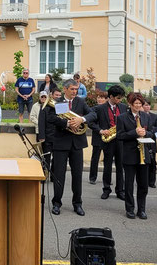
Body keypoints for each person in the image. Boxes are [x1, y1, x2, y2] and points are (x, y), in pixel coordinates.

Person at [45, 79, 96, 216]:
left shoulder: (80, 102)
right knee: (59, 175)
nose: (75, 91)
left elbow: (93, 114)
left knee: (77, 175)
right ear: (65, 89)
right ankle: (56, 203)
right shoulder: (57, 101)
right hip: (61, 143)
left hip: (77, 144)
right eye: (72, 89)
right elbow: (50, 118)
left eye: (76, 89)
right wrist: (66, 123)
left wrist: (81, 120)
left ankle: (77, 204)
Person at [117, 93, 153, 219]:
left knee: (143, 185)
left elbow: (153, 132)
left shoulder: (146, 116)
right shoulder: (122, 118)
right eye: (135, 103)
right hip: (129, 155)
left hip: (144, 155)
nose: (138, 106)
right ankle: (130, 209)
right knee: (129, 184)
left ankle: (141, 209)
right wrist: (134, 133)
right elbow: (120, 136)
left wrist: (146, 133)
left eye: (140, 103)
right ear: (130, 104)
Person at [90, 85, 127, 200]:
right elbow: (91, 123)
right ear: (111, 96)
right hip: (107, 140)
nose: (120, 100)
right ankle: (106, 189)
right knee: (107, 166)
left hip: (120, 140)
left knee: (120, 167)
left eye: (121, 98)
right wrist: (101, 130)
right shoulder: (100, 108)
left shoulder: (123, 107)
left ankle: (120, 190)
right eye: (118, 98)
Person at [37, 88, 63, 181]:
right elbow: (41, 122)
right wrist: (42, 136)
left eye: (60, 95)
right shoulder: (45, 106)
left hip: (59, 137)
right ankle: (44, 175)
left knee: (57, 159)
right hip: (48, 136)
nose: (58, 97)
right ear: (51, 95)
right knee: (46, 158)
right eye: (56, 95)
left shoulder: (62, 106)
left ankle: (53, 176)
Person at [88, 91, 108, 185]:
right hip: (97, 136)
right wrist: (100, 130)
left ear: (106, 99)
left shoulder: (109, 109)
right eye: (98, 97)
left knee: (108, 159)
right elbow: (91, 123)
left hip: (109, 136)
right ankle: (92, 177)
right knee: (95, 158)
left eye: (102, 98)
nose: (100, 99)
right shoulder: (93, 109)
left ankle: (107, 178)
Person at [143, 101, 157, 188]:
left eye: (149, 105)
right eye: (146, 105)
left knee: (153, 163)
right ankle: (143, 181)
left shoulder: (154, 116)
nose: (148, 107)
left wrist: (150, 131)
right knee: (144, 164)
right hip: (142, 141)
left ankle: (152, 182)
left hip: (152, 142)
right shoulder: (140, 116)